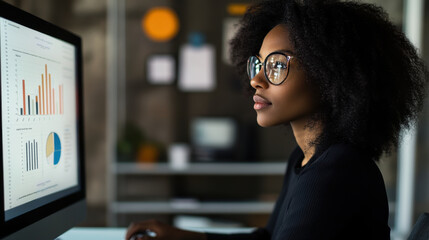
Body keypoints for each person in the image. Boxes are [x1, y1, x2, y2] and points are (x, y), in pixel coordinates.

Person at [126, 0, 428, 239]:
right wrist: (186, 237)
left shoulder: (338, 171)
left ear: (329, 77)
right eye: (259, 63)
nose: (257, 79)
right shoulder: (306, 157)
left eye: (278, 65)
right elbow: (268, 237)